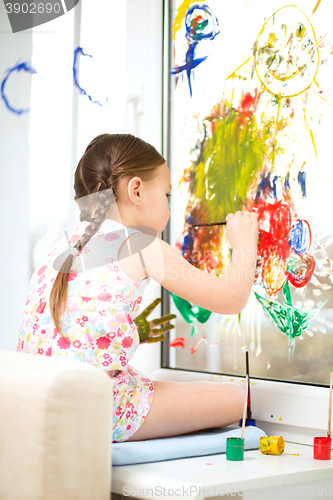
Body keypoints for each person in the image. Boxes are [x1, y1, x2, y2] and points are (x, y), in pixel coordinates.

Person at [17, 133, 258, 442]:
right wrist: (244, 244)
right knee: (237, 398)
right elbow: (231, 298)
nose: (170, 207)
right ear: (136, 190)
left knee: (158, 379)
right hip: (100, 410)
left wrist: (129, 332)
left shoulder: (61, 250)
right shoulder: (141, 244)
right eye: (167, 195)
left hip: (40, 406)